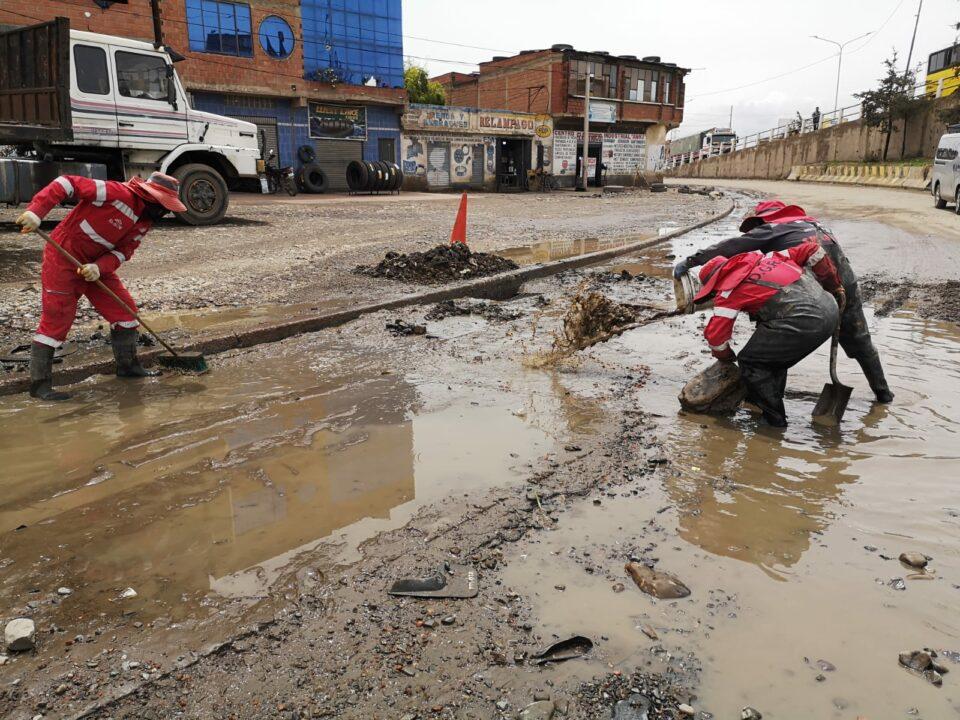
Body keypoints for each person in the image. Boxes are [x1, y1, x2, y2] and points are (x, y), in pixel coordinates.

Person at [673, 200, 893, 403]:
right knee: (859, 338)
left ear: (763, 220)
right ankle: (883, 393)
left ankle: (766, 404)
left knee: (774, 340)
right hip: (844, 280)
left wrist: (693, 260)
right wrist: (835, 287)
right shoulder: (812, 224)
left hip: (805, 285)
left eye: (755, 227)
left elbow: (732, 246)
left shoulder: (773, 227)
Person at [14, 173, 187, 401]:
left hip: (95, 266)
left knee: (125, 311)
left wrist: (99, 267)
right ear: (151, 197)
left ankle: (128, 368)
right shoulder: (116, 192)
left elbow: (123, 252)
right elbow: (66, 183)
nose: (163, 212)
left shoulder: (144, 222)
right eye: (163, 205)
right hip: (63, 257)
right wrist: (36, 211)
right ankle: (40, 386)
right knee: (57, 318)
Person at [693, 241, 844, 427]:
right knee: (770, 356)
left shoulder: (727, 292)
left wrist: (727, 357)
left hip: (806, 322)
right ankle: (762, 400)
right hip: (830, 307)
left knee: (751, 362)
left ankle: (774, 422)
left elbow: (716, 338)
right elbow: (813, 249)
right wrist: (833, 284)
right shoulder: (768, 258)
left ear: (714, 283)